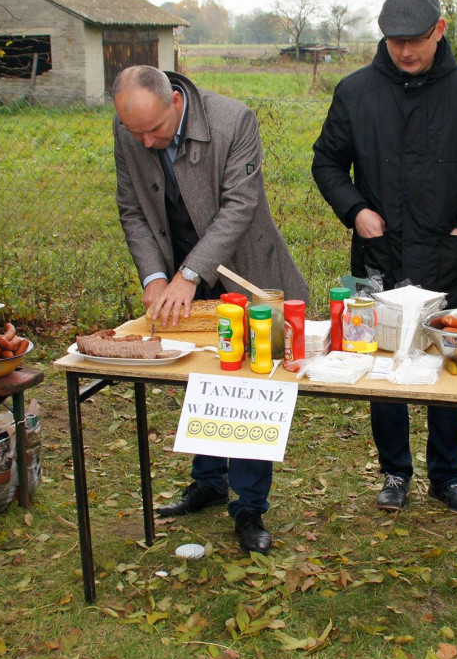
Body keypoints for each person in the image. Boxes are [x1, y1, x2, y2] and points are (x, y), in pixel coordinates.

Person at [311, 0, 457, 513]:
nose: (405, 51)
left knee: (448, 360)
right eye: (395, 41)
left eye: (415, 40)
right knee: (382, 365)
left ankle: (447, 476)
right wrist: (357, 210)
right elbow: (327, 163)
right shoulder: (356, 92)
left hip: (445, 253)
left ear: (439, 30)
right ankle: (395, 472)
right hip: (377, 254)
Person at [111, 65, 309, 553]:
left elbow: (239, 207)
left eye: (154, 130)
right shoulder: (130, 127)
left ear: (175, 102)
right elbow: (132, 209)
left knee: (248, 383)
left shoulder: (233, 120)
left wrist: (189, 274)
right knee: (200, 377)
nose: (146, 142)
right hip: (179, 271)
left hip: (242, 268)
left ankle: (249, 506)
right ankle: (208, 481)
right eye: (136, 133)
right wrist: (155, 277)